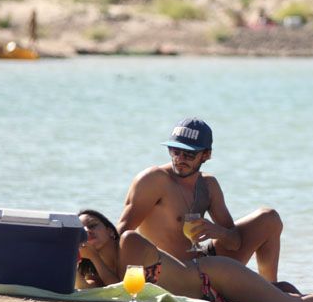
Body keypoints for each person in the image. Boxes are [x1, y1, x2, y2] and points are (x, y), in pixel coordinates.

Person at [78, 209, 313, 302]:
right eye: (82, 230)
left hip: (213, 276)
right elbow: (97, 292)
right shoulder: (99, 266)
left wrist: (92, 259)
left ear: (109, 228)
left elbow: (122, 289)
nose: (88, 232)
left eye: (93, 225)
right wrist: (84, 261)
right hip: (209, 295)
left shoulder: (128, 242)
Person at [117, 118, 286, 283]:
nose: (180, 159)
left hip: (203, 261)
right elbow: (122, 234)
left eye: (189, 154)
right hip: (170, 270)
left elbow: (235, 243)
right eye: (175, 151)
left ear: (206, 155)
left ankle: (270, 287)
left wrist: (217, 231)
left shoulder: (208, 185)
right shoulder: (154, 180)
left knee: (269, 218)